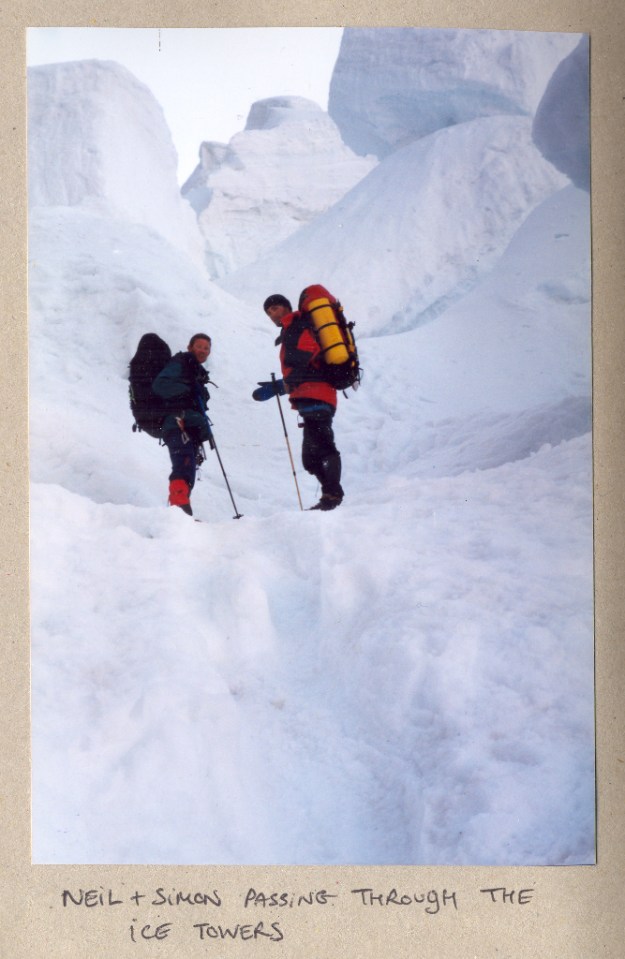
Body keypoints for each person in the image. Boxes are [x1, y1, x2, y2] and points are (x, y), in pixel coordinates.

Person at [253, 293, 344, 511]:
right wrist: (284, 386)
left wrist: (280, 386)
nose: (272, 315)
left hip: (317, 395)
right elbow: (302, 367)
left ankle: (332, 496)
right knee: (310, 459)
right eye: (269, 312)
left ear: (286, 307)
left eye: (275, 308)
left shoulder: (298, 324)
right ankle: (330, 495)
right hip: (310, 397)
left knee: (323, 447)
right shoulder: (290, 329)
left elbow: (305, 360)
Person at [151, 333, 213, 516]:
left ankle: (178, 515)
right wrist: (188, 391)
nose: (203, 350)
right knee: (183, 465)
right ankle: (179, 511)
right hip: (177, 423)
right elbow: (160, 385)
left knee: (187, 468)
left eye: (206, 348)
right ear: (190, 347)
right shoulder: (180, 363)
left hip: (188, 426)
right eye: (199, 346)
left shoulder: (195, 371)